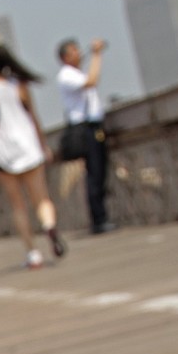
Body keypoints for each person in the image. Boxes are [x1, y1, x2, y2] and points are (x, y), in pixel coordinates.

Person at [0, 44, 65, 269]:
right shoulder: (20, 86)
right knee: (42, 199)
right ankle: (49, 226)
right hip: (29, 148)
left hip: (5, 153)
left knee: (18, 206)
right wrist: (43, 146)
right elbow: (33, 118)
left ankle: (33, 254)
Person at [56, 38, 114, 234]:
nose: (79, 53)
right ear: (65, 57)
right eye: (74, 50)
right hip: (85, 128)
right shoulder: (66, 75)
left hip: (94, 125)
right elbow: (91, 81)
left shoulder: (76, 73)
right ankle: (99, 219)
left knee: (100, 171)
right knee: (94, 173)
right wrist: (96, 55)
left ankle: (102, 216)